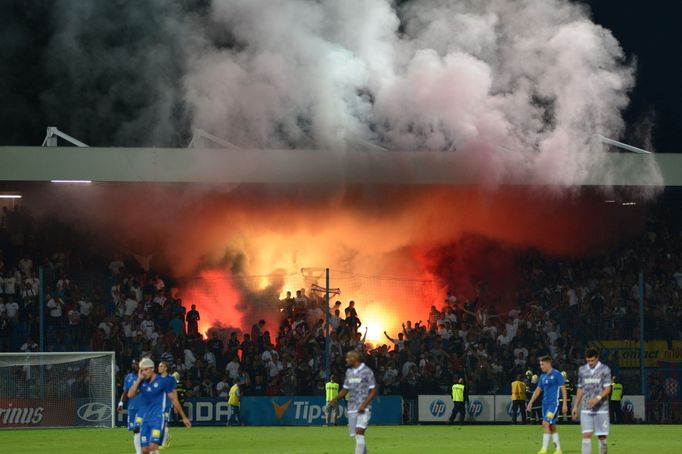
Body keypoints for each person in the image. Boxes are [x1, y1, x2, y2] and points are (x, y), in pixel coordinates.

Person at [127, 358, 191, 454]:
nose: (143, 372)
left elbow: (174, 399)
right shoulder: (141, 382)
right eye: (142, 370)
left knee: (153, 446)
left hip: (157, 418)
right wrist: (139, 379)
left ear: (152, 369)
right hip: (144, 419)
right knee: (145, 450)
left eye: (145, 369)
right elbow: (130, 395)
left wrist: (184, 417)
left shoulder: (162, 381)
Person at [328, 351, 377, 454]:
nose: (346, 360)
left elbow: (373, 390)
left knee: (359, 432)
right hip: (352, 408)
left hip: (364, 408)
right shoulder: (349, 373)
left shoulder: (367, 372)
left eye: (348, 358)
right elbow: (345, 390)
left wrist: (364, 404)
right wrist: (335, 399)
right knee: (357, 435)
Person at [571, 348, 612, 454]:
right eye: (588, 361)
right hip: (586, 408)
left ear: (597, 358)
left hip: (601, 408)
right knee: (586, 435)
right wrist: (576, 406)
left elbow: (607, 389)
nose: (590, 363)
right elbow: (580, 388)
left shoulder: (605, 370)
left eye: (592, 361)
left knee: (601, 436)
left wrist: (596, 399)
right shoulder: (582, 370)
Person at [527, 356, 567, 454]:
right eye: (540, 364)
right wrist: (531, 402)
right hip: (544, 405)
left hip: (553, 404)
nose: (541, 366)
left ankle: (544, 449)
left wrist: (564, 404)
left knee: (545, 423)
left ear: (548, 363)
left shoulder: (557, 374)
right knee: (551, 426)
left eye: (542, 364)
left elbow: (563, 389)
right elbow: (538, 390)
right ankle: (558, 449)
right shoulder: (542, 376)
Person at [119, 360, 142, 454]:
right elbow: (125, 392)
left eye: (137, 364)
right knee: (135, 430)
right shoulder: (128, 377)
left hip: (143, 408)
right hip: (132, 408)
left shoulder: (144, 377)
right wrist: (120, 403)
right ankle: (138, 450)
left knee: (140, 429)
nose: (135, 366)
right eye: (134, 364)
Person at [158, 361, 173, 448]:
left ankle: (163, 444)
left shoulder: (170, 379)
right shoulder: (157, 378)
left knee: (165, 423)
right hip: (158, 405)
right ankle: (167, 436)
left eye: (161, 366)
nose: (159, 368)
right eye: (159, 366)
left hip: (167, 404)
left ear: (165, 368)